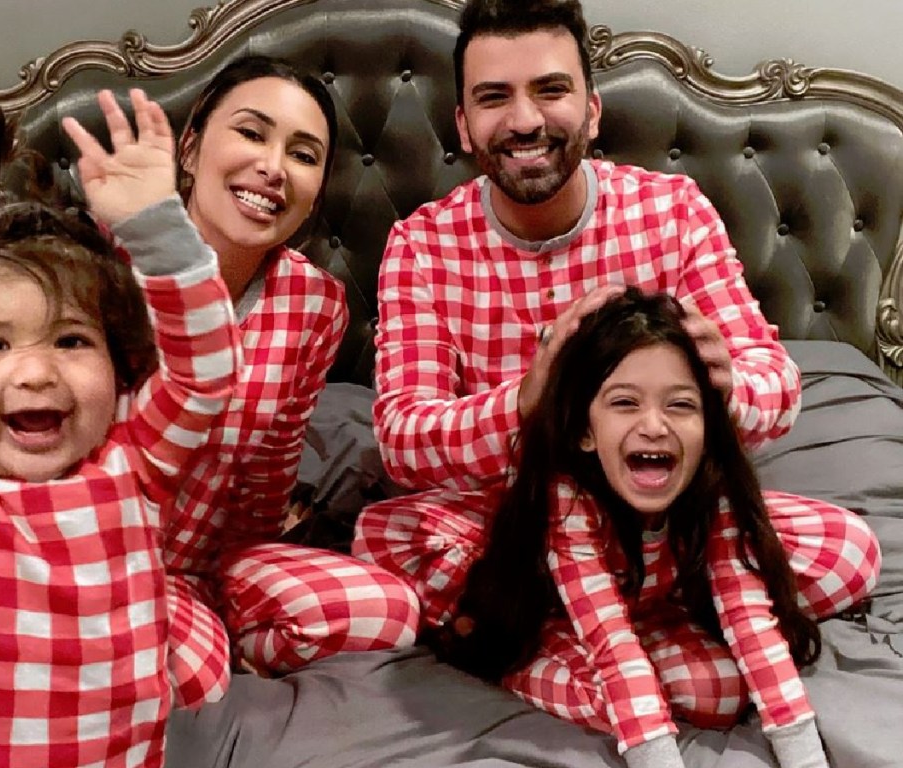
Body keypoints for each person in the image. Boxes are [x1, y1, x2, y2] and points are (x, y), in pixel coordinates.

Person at [353, 0, 880, 757]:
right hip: (515, 537)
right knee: (396, 543)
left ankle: (588, 648)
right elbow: (402, 442)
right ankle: (646, 646)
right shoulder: (422, 246)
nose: (526, 120)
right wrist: (526, 402)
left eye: (551, 90)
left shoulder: (672, 213)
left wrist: (727, 387)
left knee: (847, 550)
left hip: (668, 526)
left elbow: (779, 385)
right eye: (495, 97)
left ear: (592, 110)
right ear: (463, 125)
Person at [0, 91, 243, 767]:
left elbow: (207, 373)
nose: (37, 372)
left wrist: (156, 228)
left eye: (72, 341)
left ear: (118, 361)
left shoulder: (133, 459)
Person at [440, 287, 876, 768]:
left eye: (680, 406)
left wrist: (807, 758)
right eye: (625, 403)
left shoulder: (712, 491)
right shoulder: (566, 500)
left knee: (721, 686)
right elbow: (610, 640)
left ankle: (659, 620)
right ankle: (515, 657)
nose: (653, 425)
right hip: (553, 608)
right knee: (627, 684)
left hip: (656, 590)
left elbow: (750, 620)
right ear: (585, 431)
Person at [155, 54, 419, 690]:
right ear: (190, 149)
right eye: (251, 133)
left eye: (303, 154)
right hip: (84, 556)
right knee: (193, 680)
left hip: (213, 563)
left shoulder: (315, 304)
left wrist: (249, 576)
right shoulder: (96, 270)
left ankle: (216, 635)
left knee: (393, 612)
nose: (272, 167)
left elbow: (271, 469)